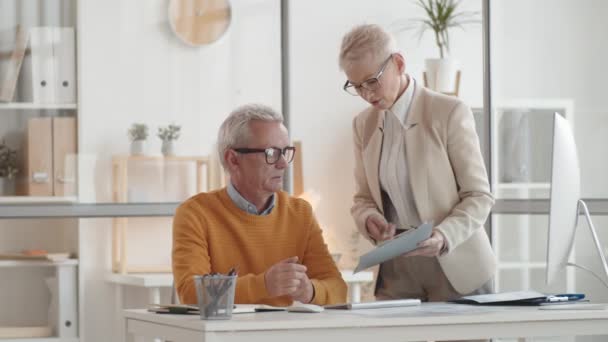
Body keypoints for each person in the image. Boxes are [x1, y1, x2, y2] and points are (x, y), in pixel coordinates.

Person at [339, 24, 496, 302]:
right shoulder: (363, 125)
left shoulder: (448, 112)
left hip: (455, 262)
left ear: (398, 63)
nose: (366, 94)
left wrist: (443, 236)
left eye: (372, 81)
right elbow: (362, 199)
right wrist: (369, 219)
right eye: (356, 86)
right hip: (396, 268)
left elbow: (479, 196)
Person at [172, 103, 347, 306]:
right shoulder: (196, 213)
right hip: (224, 337)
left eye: (286, 152)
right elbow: (191, 292)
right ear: (233, 160)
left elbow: (338, 289)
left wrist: (310, 291)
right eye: (271, 153)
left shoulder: (300, 212)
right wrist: (264, 285)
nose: (283, 164)